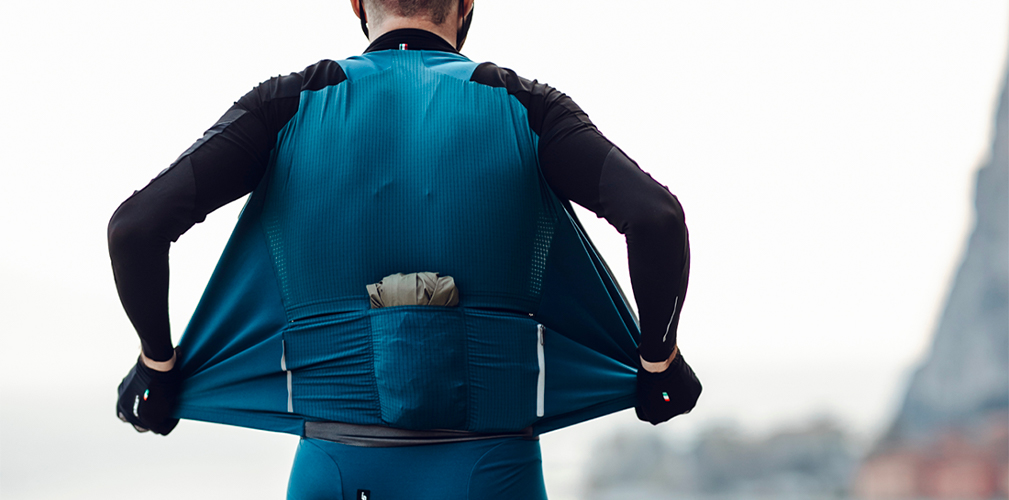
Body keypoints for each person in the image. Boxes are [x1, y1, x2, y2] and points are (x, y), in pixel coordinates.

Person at [108, 0, 701, 498]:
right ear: (466, 6)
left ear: (357, 4)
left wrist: (158, 369)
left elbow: (136, 229)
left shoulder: (285, 106)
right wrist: (657, 364)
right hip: (494, 470)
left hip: (336, 469)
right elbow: (656, 219)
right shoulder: (528, 107)